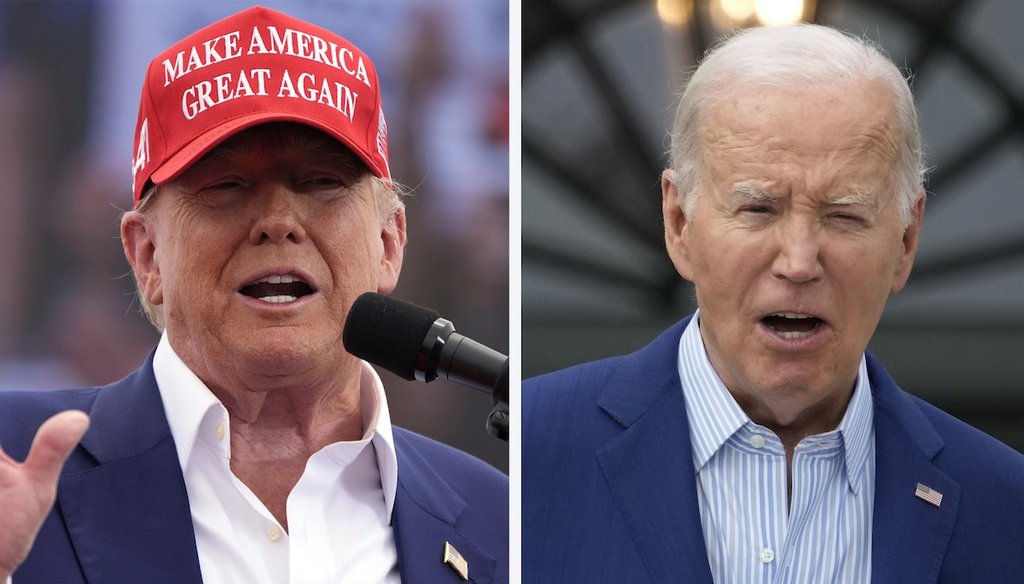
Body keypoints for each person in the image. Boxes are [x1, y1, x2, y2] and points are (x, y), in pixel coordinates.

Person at [0, 6, 508, 583]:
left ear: (389, 243)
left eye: (320, 182)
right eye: (227, 186)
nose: (277, 220)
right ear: (147, 255)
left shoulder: (500, 521)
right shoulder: (13, 460)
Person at [522, 23, 1024, 583]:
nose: (800, 260)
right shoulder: (528, 454)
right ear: (679, 223)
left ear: (905, 241)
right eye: (758, 208)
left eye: (844, 215)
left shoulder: (1005, 509)